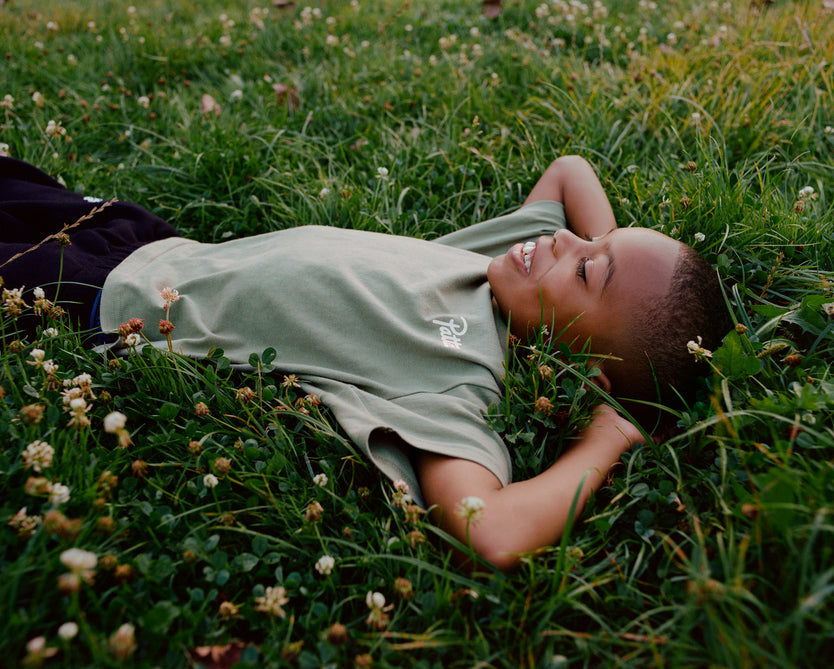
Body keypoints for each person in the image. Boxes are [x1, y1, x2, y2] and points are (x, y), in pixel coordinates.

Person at [0, 155, 731, 570]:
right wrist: (605, 267)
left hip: (100, 296)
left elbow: (490, 530)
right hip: (150, 240)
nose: (565, 242)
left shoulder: (462, 384)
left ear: (585, 369)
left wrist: (605, 436)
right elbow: (571, 171)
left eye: (586, 270)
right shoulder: (498, 266)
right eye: (589, 242)